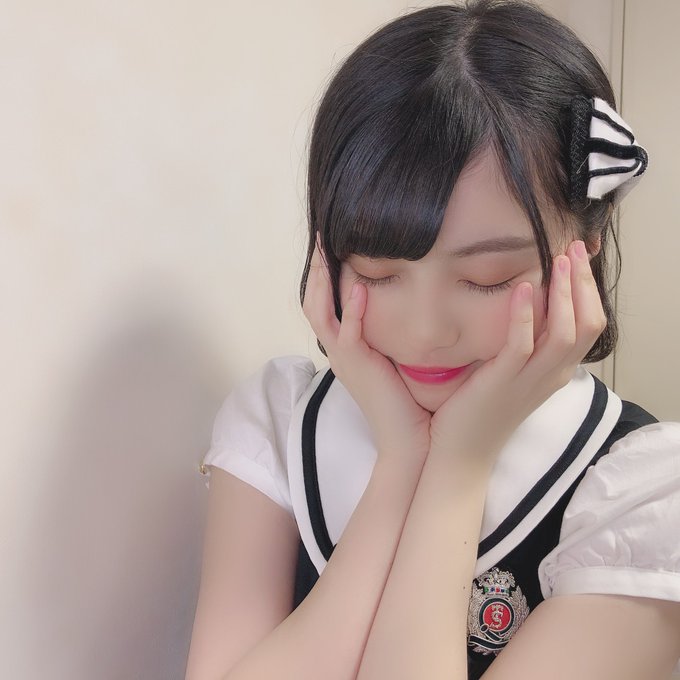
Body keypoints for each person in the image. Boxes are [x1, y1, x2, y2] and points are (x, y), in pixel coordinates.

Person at [185, 2, 680, 679]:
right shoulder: (278, 424)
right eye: (377, 271)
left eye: (486, 278)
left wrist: (457, 465)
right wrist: (401, 459)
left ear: (587, 244)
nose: (426, 331)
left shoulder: (643, 498)